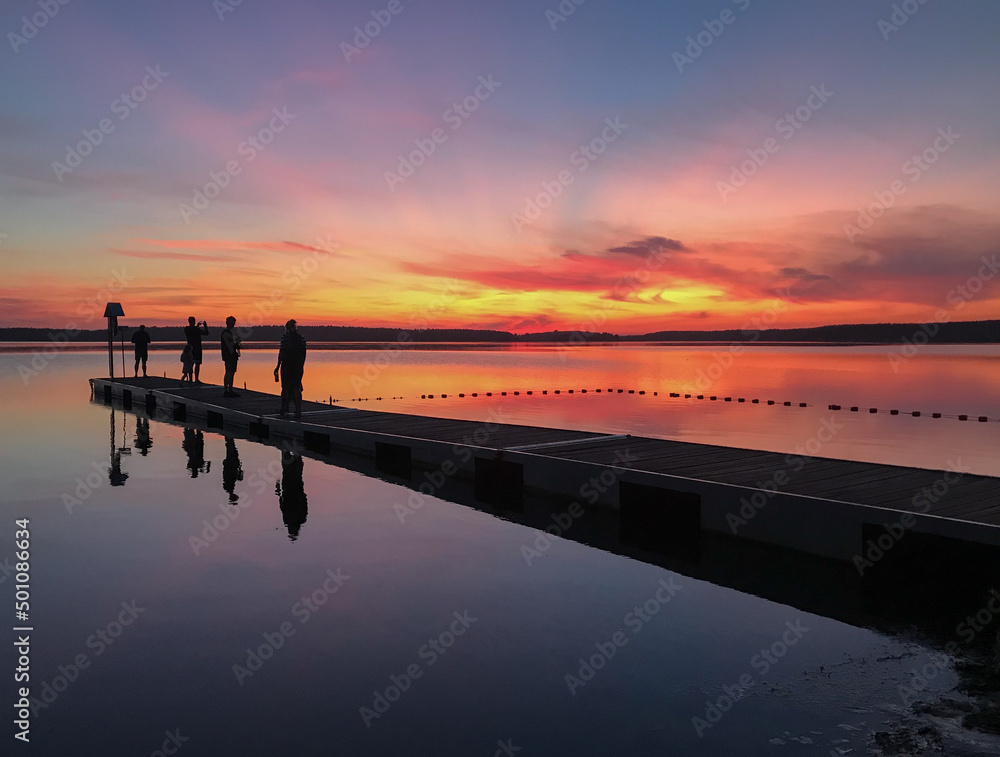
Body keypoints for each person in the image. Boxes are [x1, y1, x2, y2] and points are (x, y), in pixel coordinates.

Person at [274, 319, 307, 417]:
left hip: (287, 365)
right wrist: (301, 365)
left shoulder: (285, 338)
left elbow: (281, 353)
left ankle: (283, 408)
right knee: (296, 387)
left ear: (287, 328)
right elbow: (304, 353)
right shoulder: (302, 338)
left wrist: (277, 366)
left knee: (285, 387)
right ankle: (298, 410)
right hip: (298, 365)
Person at [183, 316, 209, 384]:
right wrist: (205, 326)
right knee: (197, 364)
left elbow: (191, 330)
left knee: (190, 364)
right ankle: (196, 379)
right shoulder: (197, 330)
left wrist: (197, 326)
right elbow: (206, 333)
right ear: (194, 321)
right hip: (197, 348)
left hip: (190, 348)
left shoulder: (186, 329)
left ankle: (190, 380)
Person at [220, 316, 241, 397]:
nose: (234, 324)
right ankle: (228, 390)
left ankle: (228, 389)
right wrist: (236, 345)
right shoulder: (226, 333)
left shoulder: (227, 333)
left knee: (230, 372)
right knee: (229, 372)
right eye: (233, 322)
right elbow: (230, 346)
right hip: (229, 355)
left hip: (228, 355)